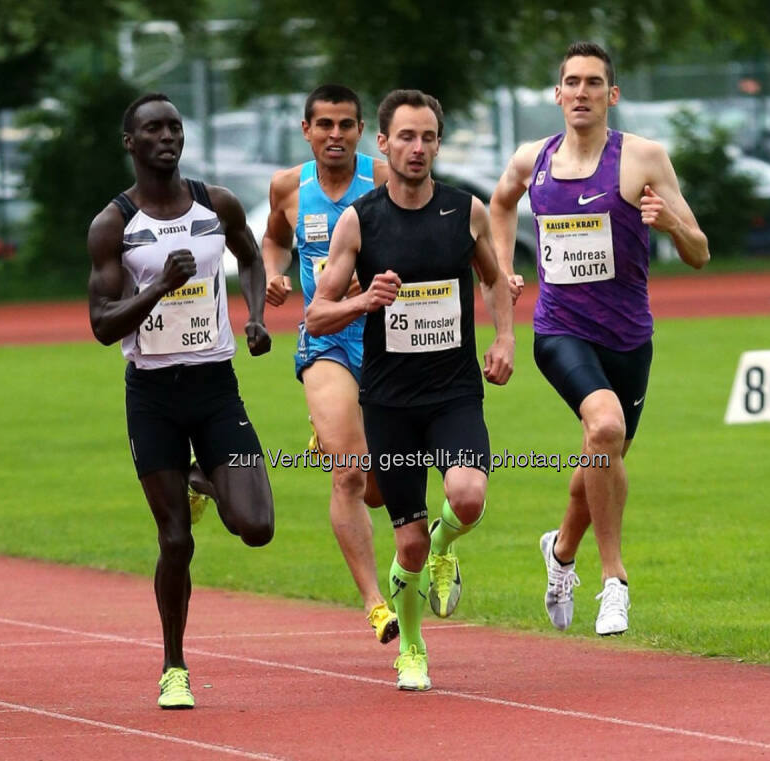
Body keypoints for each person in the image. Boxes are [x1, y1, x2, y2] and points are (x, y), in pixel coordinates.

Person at [490, 42, 709, 637]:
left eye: (593, 83)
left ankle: (560, 551)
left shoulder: (642, 158)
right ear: (557, 94)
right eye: (571, 82)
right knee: (605, 428)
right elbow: (499, 206)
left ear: (611, 95)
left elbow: (699, 251)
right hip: (560, 331)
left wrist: (671, 223)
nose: (580, 92)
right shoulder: (532, 160)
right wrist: (505, 266)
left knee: (601, 456)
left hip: (630, 339)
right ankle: (614, 582)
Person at [306, 89, 515, 691]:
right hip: (390, 404)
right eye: (405, 137)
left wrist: (503, 339)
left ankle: (451, 546)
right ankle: (413, 649)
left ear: (438, 144)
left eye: (427, 137)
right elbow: (316, 316)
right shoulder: (360, 220)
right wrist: (363, 300)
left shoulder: (465, 212)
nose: (417, 148)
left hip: (454, 393)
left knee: (469, 495)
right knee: (409, 542)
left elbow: (496, 280)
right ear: (384, 144)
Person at [87, 93, 275, 709]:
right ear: (130, 142)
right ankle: (174, 665)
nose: (166, 136)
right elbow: (102, 323)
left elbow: (250, 257)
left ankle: (204, 477)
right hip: (153, 396)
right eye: (152, 129)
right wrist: (160, 289)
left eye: (174, 127)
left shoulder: (216, 204)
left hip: (216, 387)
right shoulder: (113, 225)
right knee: (175, 541)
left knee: (256, 528)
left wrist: (254, 315)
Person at [261, 85, 399, 645]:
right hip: (326, 340)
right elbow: (273, 239)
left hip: (387, 340)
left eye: (346, 125)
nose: (335, 135)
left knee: (379, 487)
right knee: (348, 472)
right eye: (324, 125)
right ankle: (374, 603)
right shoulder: (288, 187)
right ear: (306, 130)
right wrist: (274, 273)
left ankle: (332, 435)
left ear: (361, 130)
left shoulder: (384, 179)